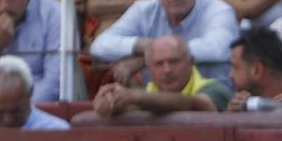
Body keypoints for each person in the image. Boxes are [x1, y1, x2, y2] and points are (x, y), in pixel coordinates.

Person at [90, 0, 240, 86]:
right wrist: (144, 46)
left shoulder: (219, 9)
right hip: (158, 103)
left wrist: (145, 59)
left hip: (211, 103)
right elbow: (99, 46)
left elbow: (217, 48)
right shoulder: (143, 9)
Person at [94, 32, 232, 114]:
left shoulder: (215, 89)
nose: (167, 70)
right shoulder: (145, 94)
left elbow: (193, 104)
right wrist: (109, 99)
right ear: (148, 68)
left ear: (191, 62)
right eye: (159, 64)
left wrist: (133, 97)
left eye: (173, 62)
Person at [0, 53, 70, 128]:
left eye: (16, 111)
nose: (8, 120)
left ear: (30, 93)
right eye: (0, 112)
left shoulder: (58, 132)